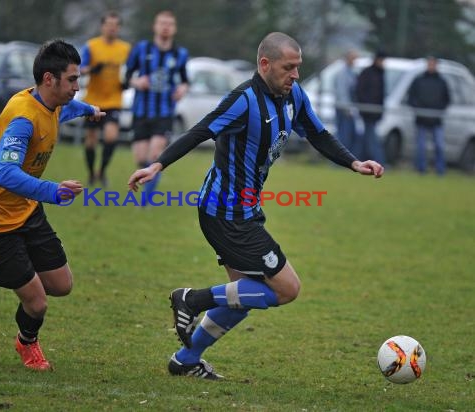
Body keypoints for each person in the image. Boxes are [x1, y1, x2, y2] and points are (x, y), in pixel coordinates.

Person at [128, 32, 384, 379]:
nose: (295, 75)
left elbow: (319, 134)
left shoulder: (294, 97)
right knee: (286, 289)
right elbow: (201, 130)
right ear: (265, 65)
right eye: (288, 67)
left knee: (242, 297)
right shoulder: (244, 100)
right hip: (225, 213)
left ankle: (185, 360)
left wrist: (354, 163)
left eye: (298, 68)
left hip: (243, 210)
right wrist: (157, 164)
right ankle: (191, 299)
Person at [0, 39, 105, 371]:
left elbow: (68, 108)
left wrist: (89, 109)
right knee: (37, 302)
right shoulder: (22, 119)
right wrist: (52, 191)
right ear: (50, 79)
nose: (77, 86)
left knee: (61, 285)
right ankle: (27, 343)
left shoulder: (53, 102)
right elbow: (6, 174)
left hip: (26, 210)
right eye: (73, 80)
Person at [124, 10, 189, 203]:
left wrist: (182, 90)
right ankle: (148, 185)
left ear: (174, 28)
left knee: (155, 155)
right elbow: (127, 76)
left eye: (169, 24)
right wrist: (137, 82)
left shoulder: (180, 54)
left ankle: (145, 202)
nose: (165, 27)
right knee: (140, 157)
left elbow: (185, 80)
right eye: (162, 23)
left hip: (164, 112)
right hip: (141, 111)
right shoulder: (142, 49)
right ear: (155, 26)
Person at [80, 11, 131, 186]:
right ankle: (91, 173)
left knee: (111, 137)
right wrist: (92, 70)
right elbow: (80, 68)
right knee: (91, 140)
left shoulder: (125, 48)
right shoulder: (91, 46)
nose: (112, 28)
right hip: (93, 101)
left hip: (114, 101)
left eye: (115, 25)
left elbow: (130, 70)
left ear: (119, 28)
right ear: (102, 26)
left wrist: (127, 82)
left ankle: (102, 171)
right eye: (109, 25)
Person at [408, 56, 450, 175]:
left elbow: (446, 99)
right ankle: (421, 169)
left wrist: (437, 109)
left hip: (436, 120)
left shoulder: (442, 81)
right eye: (429, 63)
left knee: (439, 146)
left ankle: (440, 170)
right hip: (421, 119)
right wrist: (419, 108)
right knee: (421, 147)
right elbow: (411, 97)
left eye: (433, 64)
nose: (431, 66)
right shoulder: (419, 80)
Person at [355, 50, 386, 164]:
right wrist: (366, 106)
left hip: (374, 112)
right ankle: (379, 161)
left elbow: (381, 95)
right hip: (367, 111)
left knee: (366, 138)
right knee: (372, 138)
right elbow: (360, 91)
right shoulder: (367, 73)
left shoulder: (380, 73)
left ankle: (356, 159)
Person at [333, 50, 360, 157]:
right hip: (343, 109)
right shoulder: (343, 73)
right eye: (353, 58)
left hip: (347, 108)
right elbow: (342, 92)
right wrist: (347, 109)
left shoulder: (351, 72)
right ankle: (339, 159)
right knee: (343, 135)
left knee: (347, 135)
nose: (355, 61)